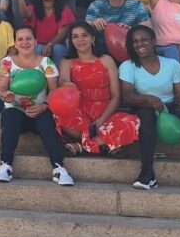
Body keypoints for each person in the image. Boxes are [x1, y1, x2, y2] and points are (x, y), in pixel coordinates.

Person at [119, 25, 180, 192]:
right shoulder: (128, 66)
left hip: (169, 107)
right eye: (135, 41)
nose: (140, 44)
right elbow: (127, 96)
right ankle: (147, 173)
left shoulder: (172, 64)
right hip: (142, 107)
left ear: (153, 42)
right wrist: (147, 98)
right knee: (146, 117)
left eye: (144, 40)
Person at [0, 26, 74, 186]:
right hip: (15, 110)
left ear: (36, 42)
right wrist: (4, 94)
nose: (25, 42)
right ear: (15, 43)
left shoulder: (47, 63)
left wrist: (44, 106)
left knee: (47, 123)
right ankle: (5, 165)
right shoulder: (7, 63)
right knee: (10, 117)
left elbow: (53, 92)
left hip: (40, 110)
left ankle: (58, 167)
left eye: (28, 39)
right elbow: (0, 87)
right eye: (20, 39)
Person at [56, 21, 139, 155]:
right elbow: (63, 80)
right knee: (57, 115)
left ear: (93, 38)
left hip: (105, 113)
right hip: (80, 113)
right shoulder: (67, 62)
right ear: (71, 41)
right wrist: (67, 84)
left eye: (84, 35)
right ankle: (105, 144)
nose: (80, 40)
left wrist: (101, 120)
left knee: (131, 122)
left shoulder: (106, 60)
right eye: (75, 36)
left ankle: (82, 146)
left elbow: (116, 96)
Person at [13, 0, 74, 66]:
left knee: (57, 49)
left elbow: (62, 34)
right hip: (38, 46)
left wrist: (50, 45)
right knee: (38, 48)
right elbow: (25, 14)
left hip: (57, 45)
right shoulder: (33, 8)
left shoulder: (65, 10)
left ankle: (59, 78)